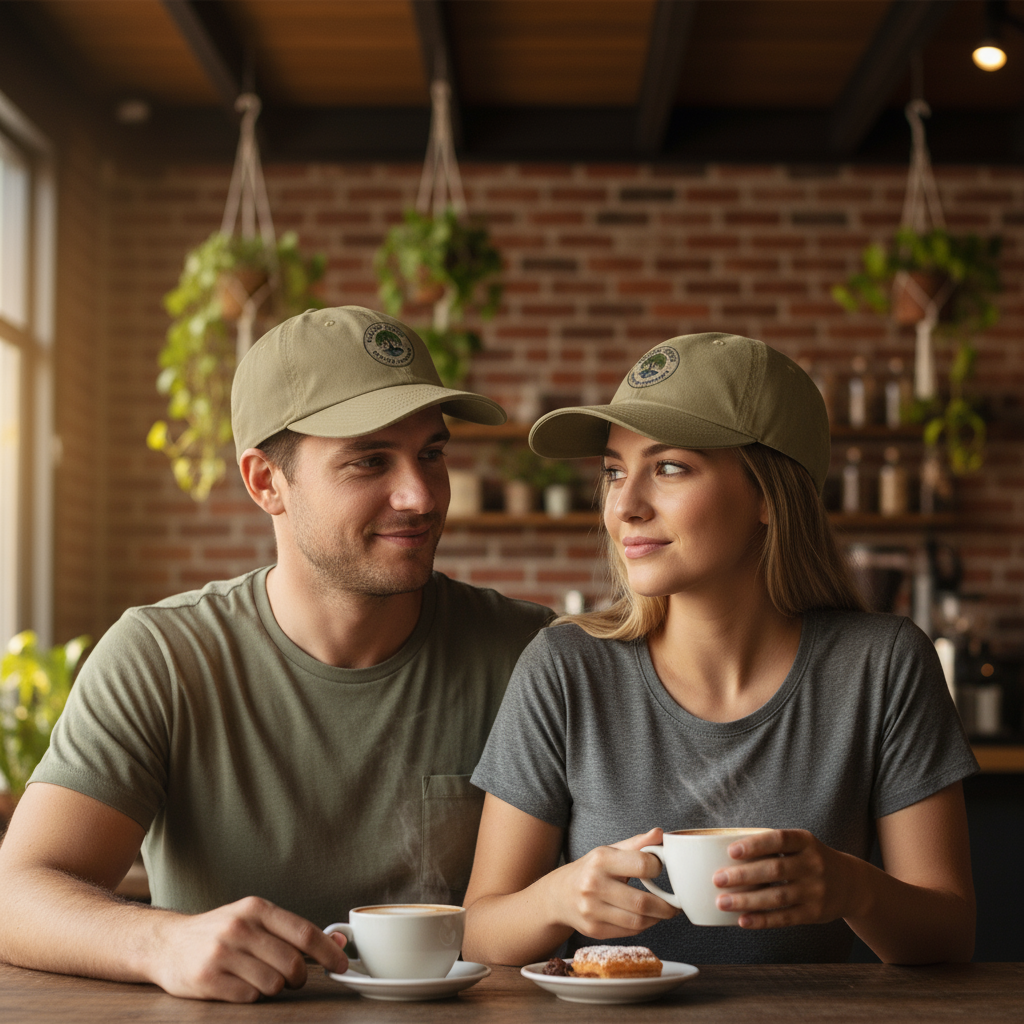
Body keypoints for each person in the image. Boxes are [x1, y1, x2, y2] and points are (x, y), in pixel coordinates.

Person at [0, 306, 551, 1001]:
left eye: (432, 454)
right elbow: (15, 893)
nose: (420, 495)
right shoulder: (162, 657)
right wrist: (163, 940)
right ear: (265, 482)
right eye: (369, 461)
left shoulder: (531, 653)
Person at [462, 332, 978, 968]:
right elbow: (478, 933)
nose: (625, 505)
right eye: (614, 472)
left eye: (669, 467)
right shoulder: (564, 666)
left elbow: (951, 939)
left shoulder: (884, 665)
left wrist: (853, 888)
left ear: (769, 493)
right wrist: (557, 900)